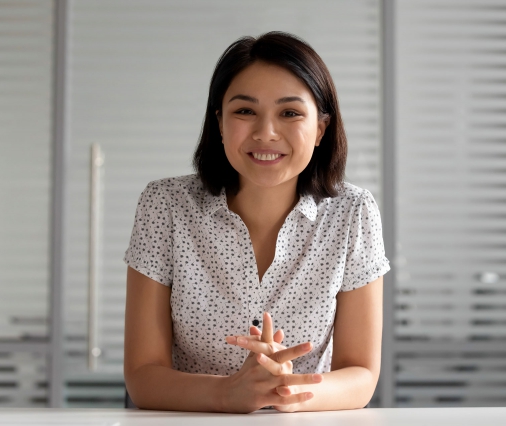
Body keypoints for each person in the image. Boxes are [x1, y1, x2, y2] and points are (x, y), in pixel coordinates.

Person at [123, 31, 390, 413]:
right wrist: (227, 394)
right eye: (245, 111)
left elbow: (360, 373)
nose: (266, 133)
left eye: (290, 113)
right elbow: (143, 375)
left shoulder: (353, 212)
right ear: (219, 122)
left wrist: (286, 393)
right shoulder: (165, 205)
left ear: (320, 129)